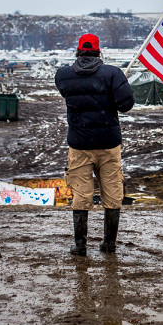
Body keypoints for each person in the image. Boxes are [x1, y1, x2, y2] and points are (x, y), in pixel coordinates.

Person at [54, 33, 134, 256]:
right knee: (112, 191)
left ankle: (80, 246)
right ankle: (109, 244)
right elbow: (126, 104)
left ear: (78, 51)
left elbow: (66, 92)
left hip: (80, 145)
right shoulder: (113, 74)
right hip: (108, 145)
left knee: (81, 194)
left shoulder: (64, 75)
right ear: (99, 51)